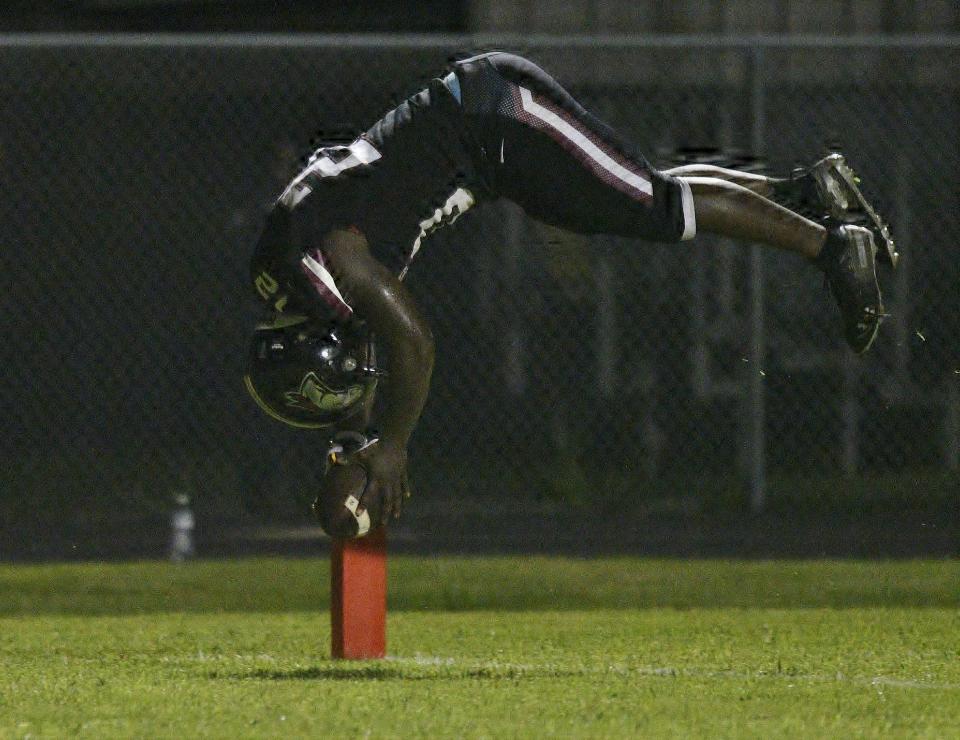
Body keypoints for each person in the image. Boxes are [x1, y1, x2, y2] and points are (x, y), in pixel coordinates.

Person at [244, 51, 897, 529]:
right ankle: (809, 196)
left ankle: (831, 245)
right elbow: (358, 340)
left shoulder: (336, 262)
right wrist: (350, 444)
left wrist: (392, 448)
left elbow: (411, 341)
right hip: (483, 141)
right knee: (646, 191)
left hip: (498, 120)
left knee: (658, 204)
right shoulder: (291, 279)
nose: (360, 371)